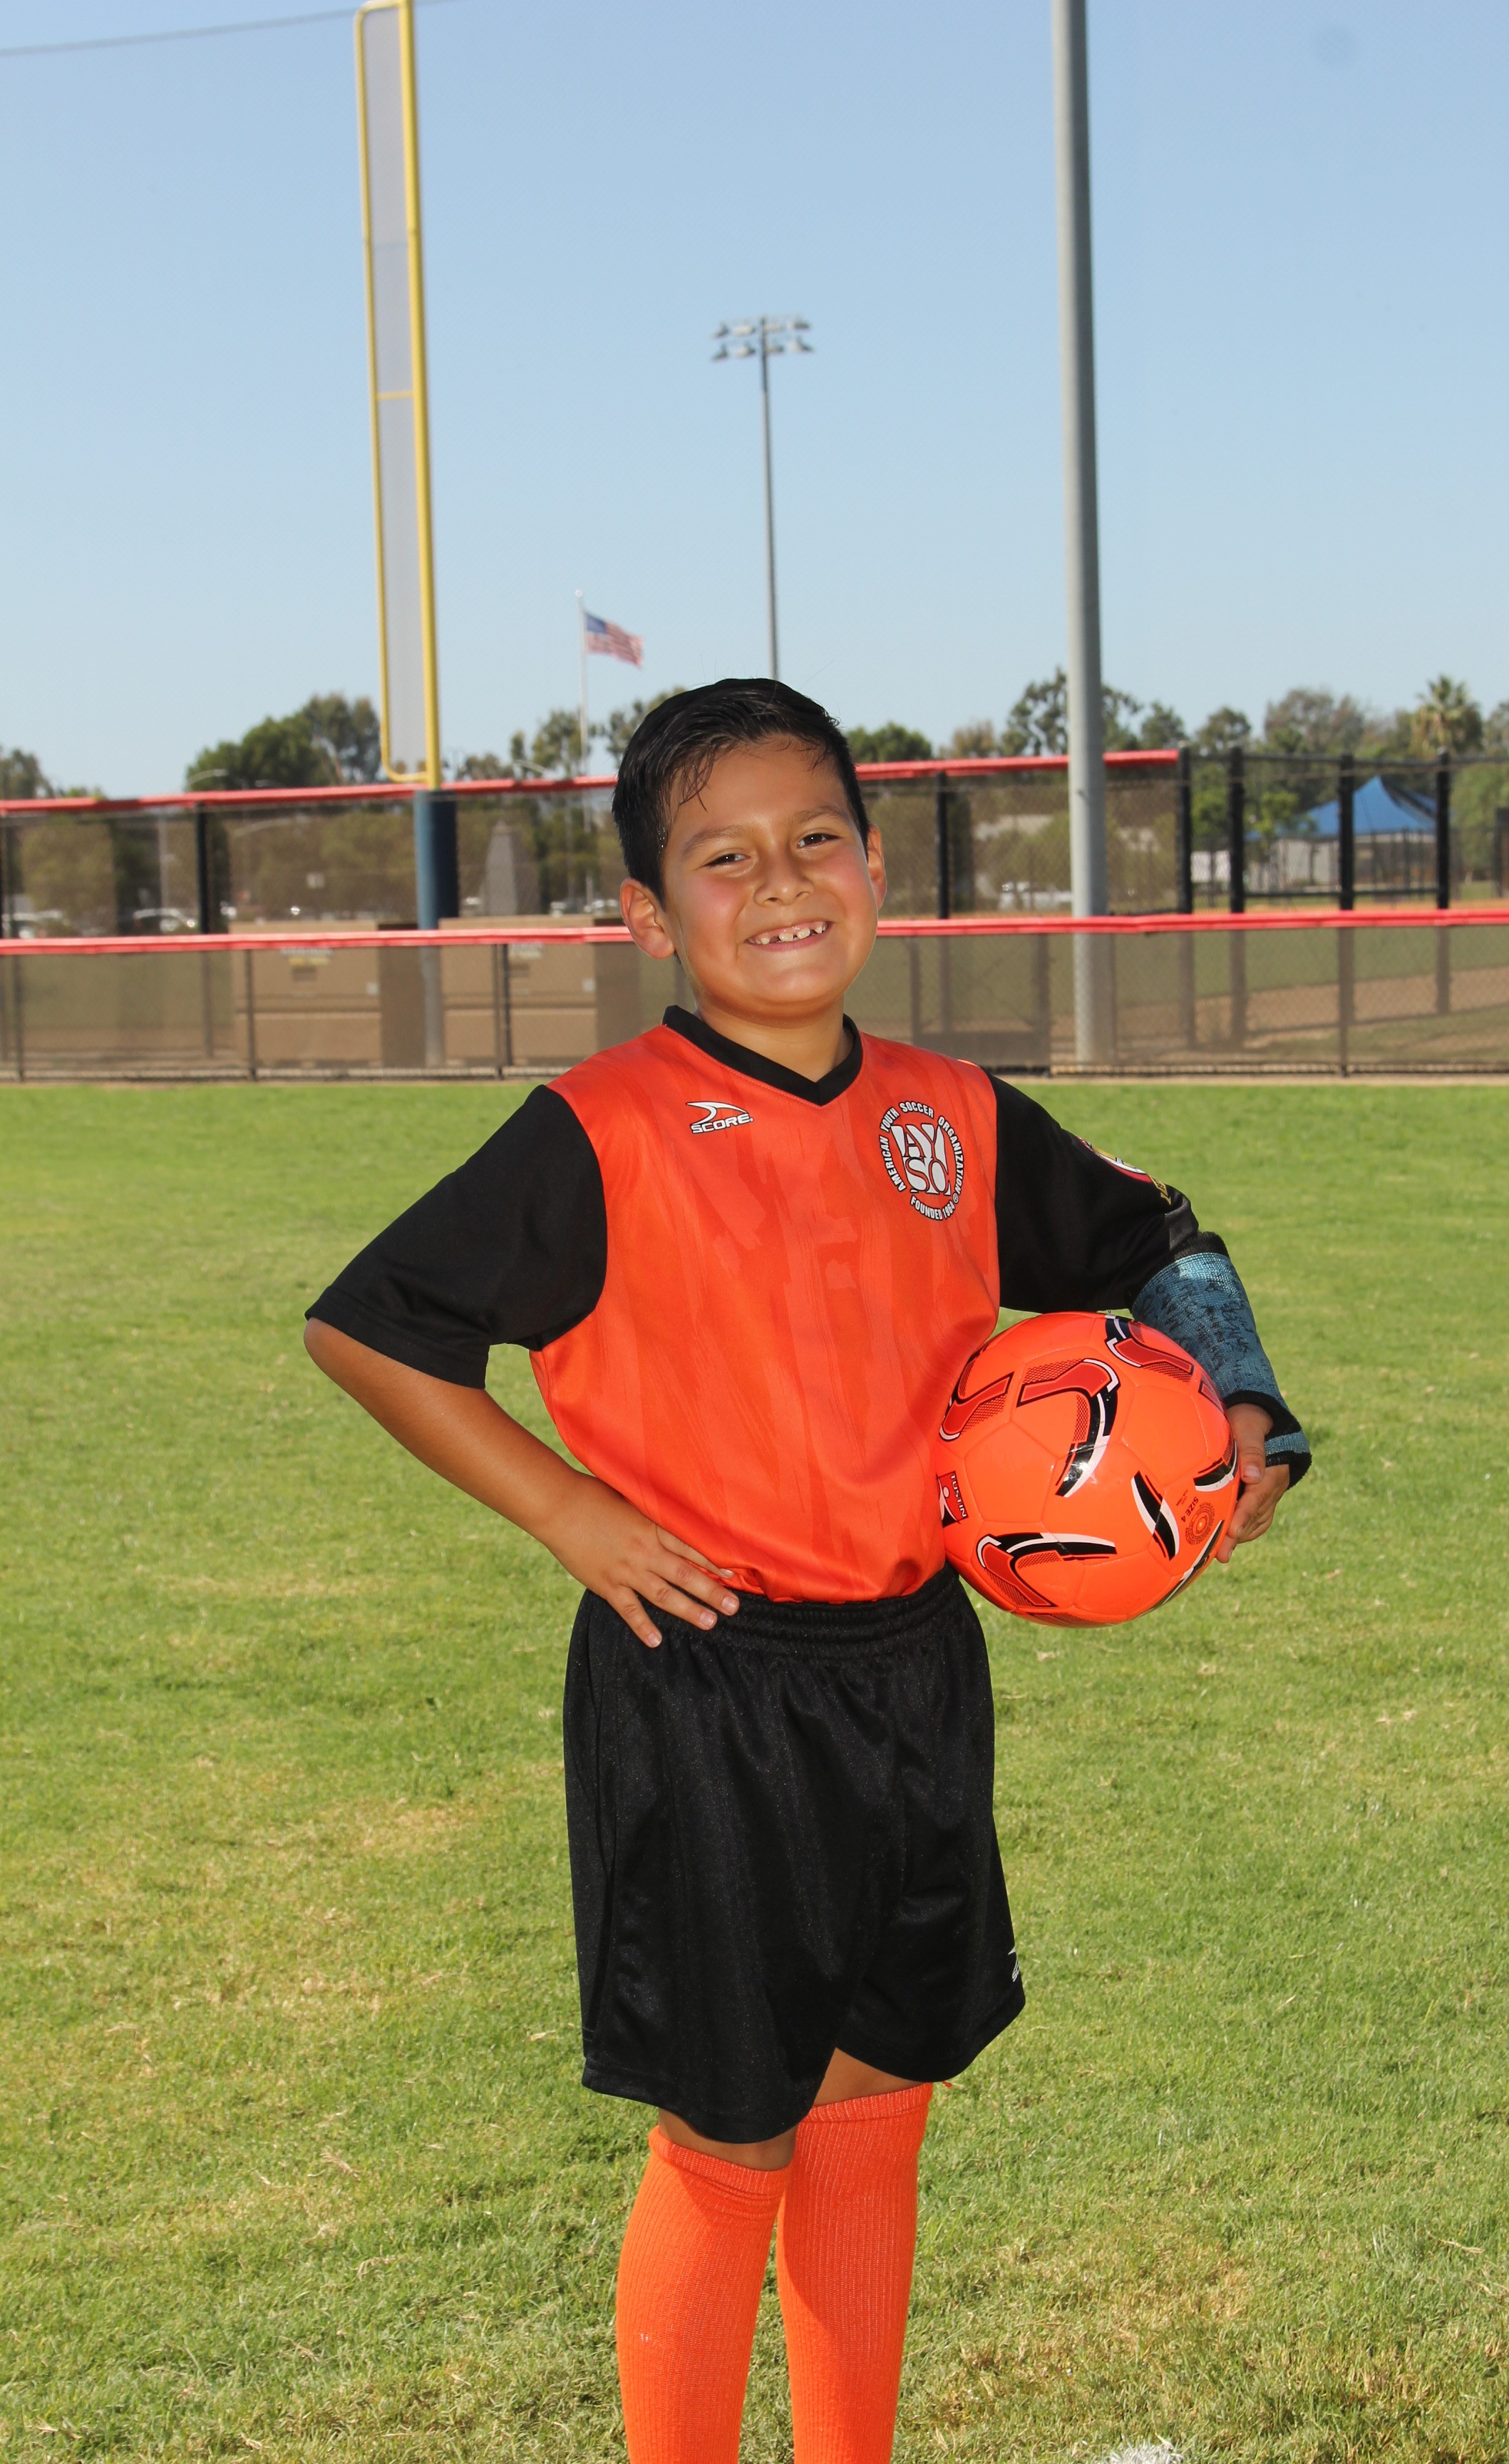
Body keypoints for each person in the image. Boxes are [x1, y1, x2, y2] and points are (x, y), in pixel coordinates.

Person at [304, 679, 1309, 2464]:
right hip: (709, 1682)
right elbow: (373, 1325)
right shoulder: (604, 1126)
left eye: (815, 840)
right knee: (731, 2138)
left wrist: (1243, 1404)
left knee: (877, 2107)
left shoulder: (950, 1115)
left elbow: (1156, 1237)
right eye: (724, 858)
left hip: (915, 1667)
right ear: (647, 913)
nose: (780, 884)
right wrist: (571, 1514)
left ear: (875, 866)